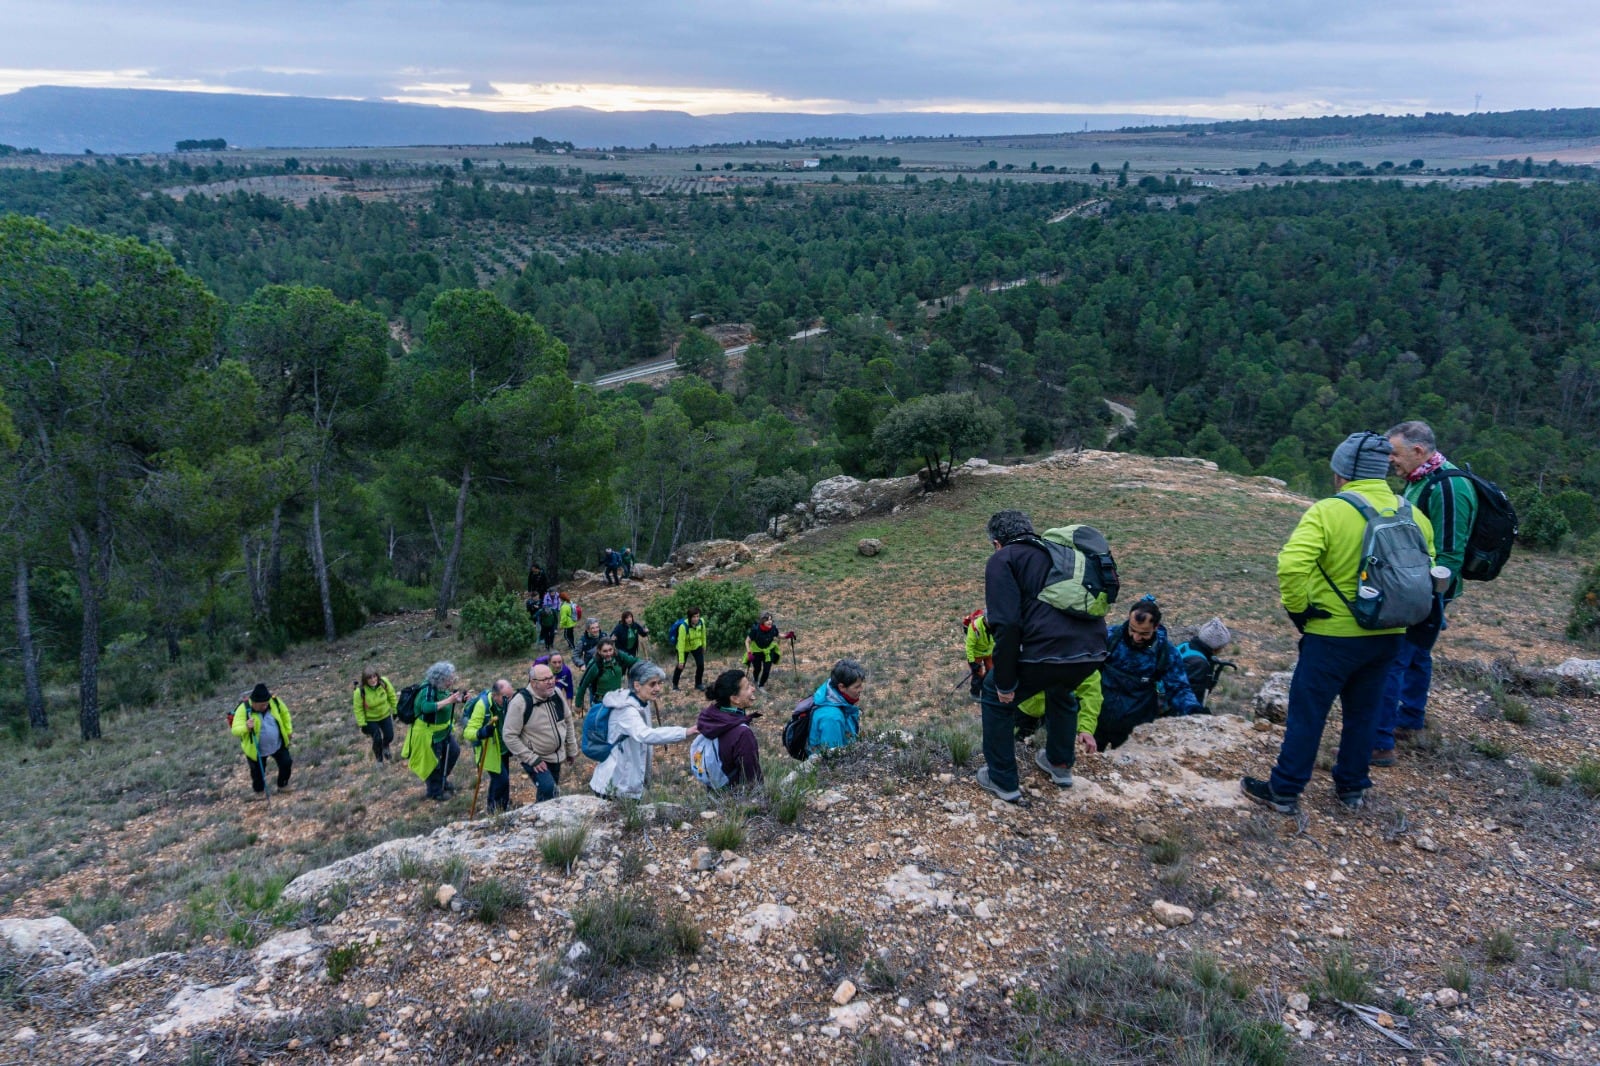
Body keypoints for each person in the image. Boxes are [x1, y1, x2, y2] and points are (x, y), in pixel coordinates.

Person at [1242, 432, 1435, 815]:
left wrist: (1300, 611)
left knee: (1308, 713)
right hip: (1388, 634)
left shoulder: (1328, 511)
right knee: (1364, 713)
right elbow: (1427, 568)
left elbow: (1292, 564)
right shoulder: (1411, 513)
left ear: (1343, 472)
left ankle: (1284, 789)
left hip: (1332, 634)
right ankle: (1352, 788)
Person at [976, 510, 1107, 803]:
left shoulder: (1004, 558)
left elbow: (1007, 624)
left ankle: (1002, 778)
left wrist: (1006, 683)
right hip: (1093, 650)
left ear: (997, 542)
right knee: (1060, 689)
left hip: (1047, 652)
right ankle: (1060, 764)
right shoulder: (1061, 555)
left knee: (994, 695)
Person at [1373, 420, 1479, 765]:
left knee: (1394, 659)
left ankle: (1379, 742)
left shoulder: (1448, 488)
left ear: (1418, 452)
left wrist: (1426, 598)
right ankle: (1409, 722)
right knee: (1416, 655)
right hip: (1420, 588)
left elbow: (1450, 553)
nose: (1391, 460)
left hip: (1425, 592)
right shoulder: (1422, 481)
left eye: (1396, 453)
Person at [1094, 597, 1204, 751]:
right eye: (1132, 630)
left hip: (1134, 729)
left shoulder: (1165, 652)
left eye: (1144, 633)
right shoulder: (1110, 637)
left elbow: (1178, 687)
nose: (1136, 637)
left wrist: (1194, 710)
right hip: (1096, 719)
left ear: (1156, 627)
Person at [590, 661, 699, 800]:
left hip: (622, 782)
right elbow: (646, 735)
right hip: (613, 786)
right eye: (652, 684)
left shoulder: (641, 703)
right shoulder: (627, 711)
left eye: (659, 683)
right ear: (637, 685)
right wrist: (685, 732)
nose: (658, 688)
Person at [504, 662, 580, 802]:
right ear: (533, 683)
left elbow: (567, 720)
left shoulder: (556, 693)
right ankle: (544, 819)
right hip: (535, 757)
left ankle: (542, 817)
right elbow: (509, 736)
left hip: (556, 755)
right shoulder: (520, 702)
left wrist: (571, 749)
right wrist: (531, 759)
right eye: (545, 680)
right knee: (549, 788)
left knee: (549, 793)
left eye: (551, 677)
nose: (550, 682)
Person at [402, 661, 468, 802]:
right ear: (441, 678)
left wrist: (460, 699)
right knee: (433, 763)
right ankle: (434, 791)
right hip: (429, 734)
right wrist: (449, 701)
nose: (452, 680)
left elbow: (445, 701)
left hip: (443, 731)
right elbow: (426, 707)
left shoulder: (442, 688)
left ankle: (441, 780)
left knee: (454, 752)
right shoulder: (428, 689)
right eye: (449, 678)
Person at [1015, 673, 1102, 774]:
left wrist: (1086, 728)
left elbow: (1091, 692)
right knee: (1017, 744)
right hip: (1022, 704)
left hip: (1055, 713)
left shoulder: (1082, 659)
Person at [697, 669, 763, 787]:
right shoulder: (742, 734)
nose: (753, 689)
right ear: (735, 699)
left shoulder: (712, 719)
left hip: (716, 794)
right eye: (747, 687)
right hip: (738, 800)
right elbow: (753, 779)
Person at [232, 683, 293, 795]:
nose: (265, 706)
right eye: (262, 705)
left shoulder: (275, 702)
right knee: (258, 772)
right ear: (254, 702)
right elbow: (235, 729)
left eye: (266, 704)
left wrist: (288, 731)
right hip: (255, 749)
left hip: (277, 744)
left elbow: (285, 714)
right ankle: (259, 791)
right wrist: (246, 727)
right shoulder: (243, 709)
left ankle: (282, 784)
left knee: (286, 762)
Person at [465, 679, 515, 814]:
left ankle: (503, 808)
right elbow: (468, 732)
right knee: (502, 780)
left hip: (503, 748)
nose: (510, 700)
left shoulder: (508, 703)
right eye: (506, 697)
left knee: (502, 780)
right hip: (489, 751)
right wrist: (482, 732)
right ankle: (493, 811)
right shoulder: (483, 706)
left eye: (511, 696)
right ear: (495, 696)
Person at [807, 658, 868, 751]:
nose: (861, 689)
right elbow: (833, 758)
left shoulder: (834, 698)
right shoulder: (832, 718)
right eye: (857, 687)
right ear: (841, 687)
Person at [575, 637, 639, 710]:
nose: (608, 653)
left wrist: (647, 666)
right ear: (599, 651)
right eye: (605, 651)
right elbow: (583, 684)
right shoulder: (595, 665)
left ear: (613, 648)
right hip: (601, 704)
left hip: (617, 701)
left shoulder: (618, 656)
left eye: (610, 650)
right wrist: (578, 704)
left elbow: (633, 661)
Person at [351, 667, 397, 763]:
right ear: (365, 680)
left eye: (374, 677)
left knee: (390, 735)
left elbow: (392, 696)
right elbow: (358, 709)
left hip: (385, 714)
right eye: (369, 678)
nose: (373, 680)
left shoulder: (384, 683)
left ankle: (385, 746)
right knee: (377, 739)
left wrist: (395, 710)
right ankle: (379, 760)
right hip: (371, 719)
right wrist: (362, 723)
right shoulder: (359, 692)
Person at [672, 608, 708, 692]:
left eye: (697, 616)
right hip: (684, 648)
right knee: (681, 666)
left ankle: (698, 684)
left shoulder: (701, 622)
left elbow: (703, 634)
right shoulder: (683, 627)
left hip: (696, 645)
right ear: (689, 617)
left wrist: (704, 645)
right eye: (694, 617)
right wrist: (681, 660)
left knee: (701, 665)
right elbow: (680, 644)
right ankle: (675, 685)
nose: (696, 619)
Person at [744, 612, 782, 690]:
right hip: (757, 651)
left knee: (767, 670)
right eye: (767, 620)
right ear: (762, 621)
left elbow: (779, 636)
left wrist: (788, 635)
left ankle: (761, 685)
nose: (770, 621)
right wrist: (749, 653)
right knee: (757, 668)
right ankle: (755, 679)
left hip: (768, 651)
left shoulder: (773, 628)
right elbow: (747, 641)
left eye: (771, 619)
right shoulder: (756, 629)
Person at [964, 608, 994, 699]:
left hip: (989, 652)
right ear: (985, 619)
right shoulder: (974, 627)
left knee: (992, 672)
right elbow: (969, 646)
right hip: (976, 654)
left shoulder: (996, 625)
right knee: (977, 675)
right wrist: (972, 662)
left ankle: (985, 687)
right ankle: (974, 693)